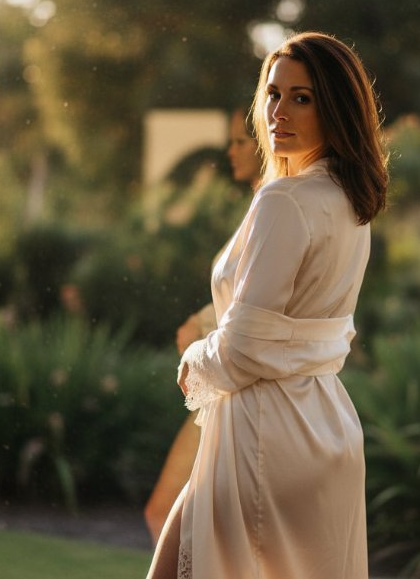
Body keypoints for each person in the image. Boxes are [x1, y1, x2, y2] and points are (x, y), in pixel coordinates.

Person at [146, 31, 388, 579]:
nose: (279, 112)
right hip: (326, 430)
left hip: (265, 434)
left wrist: (193, 361)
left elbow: (245, 347)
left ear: (337, 108)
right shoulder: (350, 203)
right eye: (273, 94)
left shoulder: (285, 199)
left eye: (302, 98)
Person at [144, 107, 263, 544]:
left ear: (265, 145)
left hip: (237, 386)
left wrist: (201, 329)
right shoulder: (260, 206)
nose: (230, 151)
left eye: (240, 142)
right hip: (216, 385)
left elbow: (260, 307)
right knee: (167, 516)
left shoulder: (278, 208)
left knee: (179, 520)